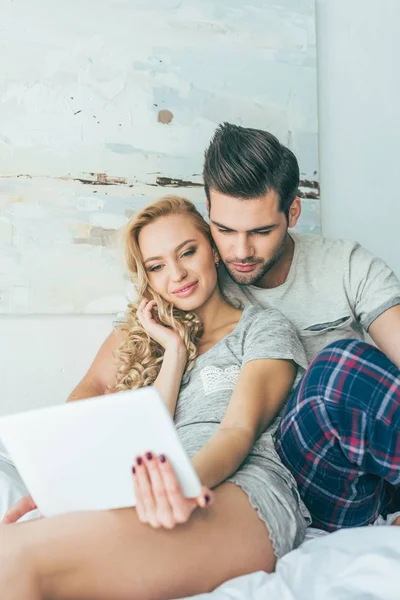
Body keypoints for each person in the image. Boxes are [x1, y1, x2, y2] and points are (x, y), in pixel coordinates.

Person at [5, 122, 400, 530]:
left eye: (261, 231)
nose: (241, 251)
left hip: (343, 460)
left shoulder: (347, 266)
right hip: (278, 474)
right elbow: (98, 388)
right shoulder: (188, 283)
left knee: (339, 367)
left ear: (293, 212)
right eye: (225, 230)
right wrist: (66, 473)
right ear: (209, 217)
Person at [0, 195, 310, 599]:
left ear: (214, 251)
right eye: (157, 266)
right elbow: (88, 395)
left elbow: (237, 431)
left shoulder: (263, 329)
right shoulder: (153, 335)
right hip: (146, 490)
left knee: (16, 558)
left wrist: (182, 487)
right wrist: (63, 482)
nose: (177, 274)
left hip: (238, 494)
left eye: (188, 252)